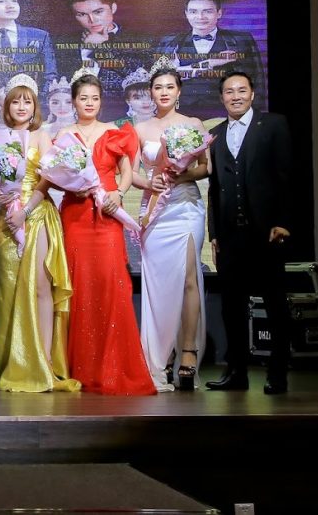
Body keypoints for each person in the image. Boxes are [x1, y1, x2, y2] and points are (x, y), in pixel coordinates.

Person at [57, 69, 155, 395]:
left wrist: (118, 193)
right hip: (75, 216)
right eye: (83, 98)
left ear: (101, 101)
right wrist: (72, 185)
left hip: (108, 215)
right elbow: (54, 176)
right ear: (74, 102)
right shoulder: (64, 135)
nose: (89, 103)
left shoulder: (114, 131)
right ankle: (80, 368)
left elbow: (127, 172)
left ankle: (113, 366)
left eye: (95, 98)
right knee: (79, 285)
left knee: (112, 285)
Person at [0, 74, 80, 393]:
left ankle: (44, 359)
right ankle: (9, 361)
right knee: (9, 288)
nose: (21, 106)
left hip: (36, 214)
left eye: (27, 101)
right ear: (7, 105)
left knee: (40, 286)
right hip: (6, 219)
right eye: (16, 101)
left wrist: (24, 211)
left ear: (35, 106)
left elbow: (48, 179)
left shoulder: (42, 136)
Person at [206, 71, 293, 394]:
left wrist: (283, 221)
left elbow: (286, 175)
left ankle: (278, 372)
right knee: (232, 306)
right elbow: (214, 189)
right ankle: (237, 372)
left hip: (267, 232)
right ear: (222, 98)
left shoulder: (273, 125)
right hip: (230, 235)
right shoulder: (215, 134)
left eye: (241, 90)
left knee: (274, 303)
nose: (236, 96)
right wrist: (214, 234)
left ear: (253, 94)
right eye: (229, 92)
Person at [132, 62, 209, 392]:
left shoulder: (192, 124)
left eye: (169, 87)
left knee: (189, 278)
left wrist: (183, 173)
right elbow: (131, 174)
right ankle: (161, 353)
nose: (163, 92)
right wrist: (150, 181)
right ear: (151, 93)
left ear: (179, 91)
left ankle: (188, 352)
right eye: (158, 87)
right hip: (155, 210)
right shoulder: (140, 128)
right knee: (159, 285)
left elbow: (205, 167)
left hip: (186, 207)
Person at [152, 0, 266, 119]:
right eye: (193, 12)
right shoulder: (170, 42)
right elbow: (162, 78)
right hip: (181, 113)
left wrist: (254, 117)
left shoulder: (240, 40)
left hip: (226, 113)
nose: (200, 17)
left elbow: (257, 80)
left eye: (207, 11)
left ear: (219, 13)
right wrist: (211, 62)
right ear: (186, 14)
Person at [57, 0, 150, 118]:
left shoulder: (137, 38)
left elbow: (139, 75)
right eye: (82, 14)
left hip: (121, 117)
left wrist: (101, 47)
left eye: (98, 12)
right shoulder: (64, 42)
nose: (92, 20)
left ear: (113, 8)